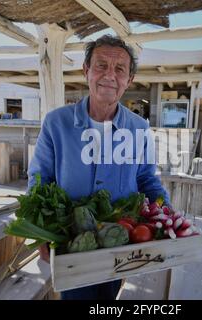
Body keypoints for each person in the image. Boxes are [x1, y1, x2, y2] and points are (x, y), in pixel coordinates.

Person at [27, 34, 170, 300]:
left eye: (119, 69)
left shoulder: (138, 128)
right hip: (70, 239)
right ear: (86, 71)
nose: (109, 75)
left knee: (109, 297)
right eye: (101, 65)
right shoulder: (56, 123)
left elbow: (147, 179)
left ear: (129, 81)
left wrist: (168, 215)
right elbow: (39, 178)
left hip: (121, 238)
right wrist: (40, 231)